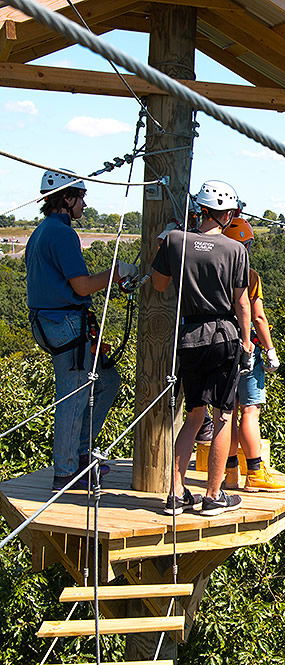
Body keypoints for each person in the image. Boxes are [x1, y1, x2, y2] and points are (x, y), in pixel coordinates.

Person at [26, 169, 133, 490]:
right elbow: (83, 286)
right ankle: (67, 472)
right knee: (73, 397)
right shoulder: (62, 234)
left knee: (107, 381)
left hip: (55, 324)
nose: (84, 204)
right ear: (67, 198)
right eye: (81, 197)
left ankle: (80, 455)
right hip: (65, 325)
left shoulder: (43, 231)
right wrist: (116, 273)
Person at [151, 180, 253, 516]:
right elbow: (241, 303)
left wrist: (166, 245)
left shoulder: (175, 242)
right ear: (227, 215)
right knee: (222, 417)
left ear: (200, 209)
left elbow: (159, 283)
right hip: (224, 334)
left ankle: (176, 492)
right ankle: (212, 495)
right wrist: (247, 342)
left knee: (194, 417)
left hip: (190, 335)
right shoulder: (235, 250)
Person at [220, 218, 285, 492]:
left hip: (218, 343)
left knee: (226, 412)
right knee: (249, 411)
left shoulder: (214, 269)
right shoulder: (249, 276)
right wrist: (270, 350)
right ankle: (255, 473)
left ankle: (231, 472)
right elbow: (257, 316)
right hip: (245, 348)